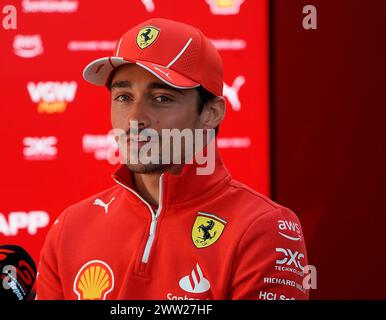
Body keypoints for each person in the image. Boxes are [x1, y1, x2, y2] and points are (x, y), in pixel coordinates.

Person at [36, 18, 309, 300]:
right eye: (124, 97)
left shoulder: (263, 227)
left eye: (162, 98)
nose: (135, 118)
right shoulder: (71, 227)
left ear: (211, 113)